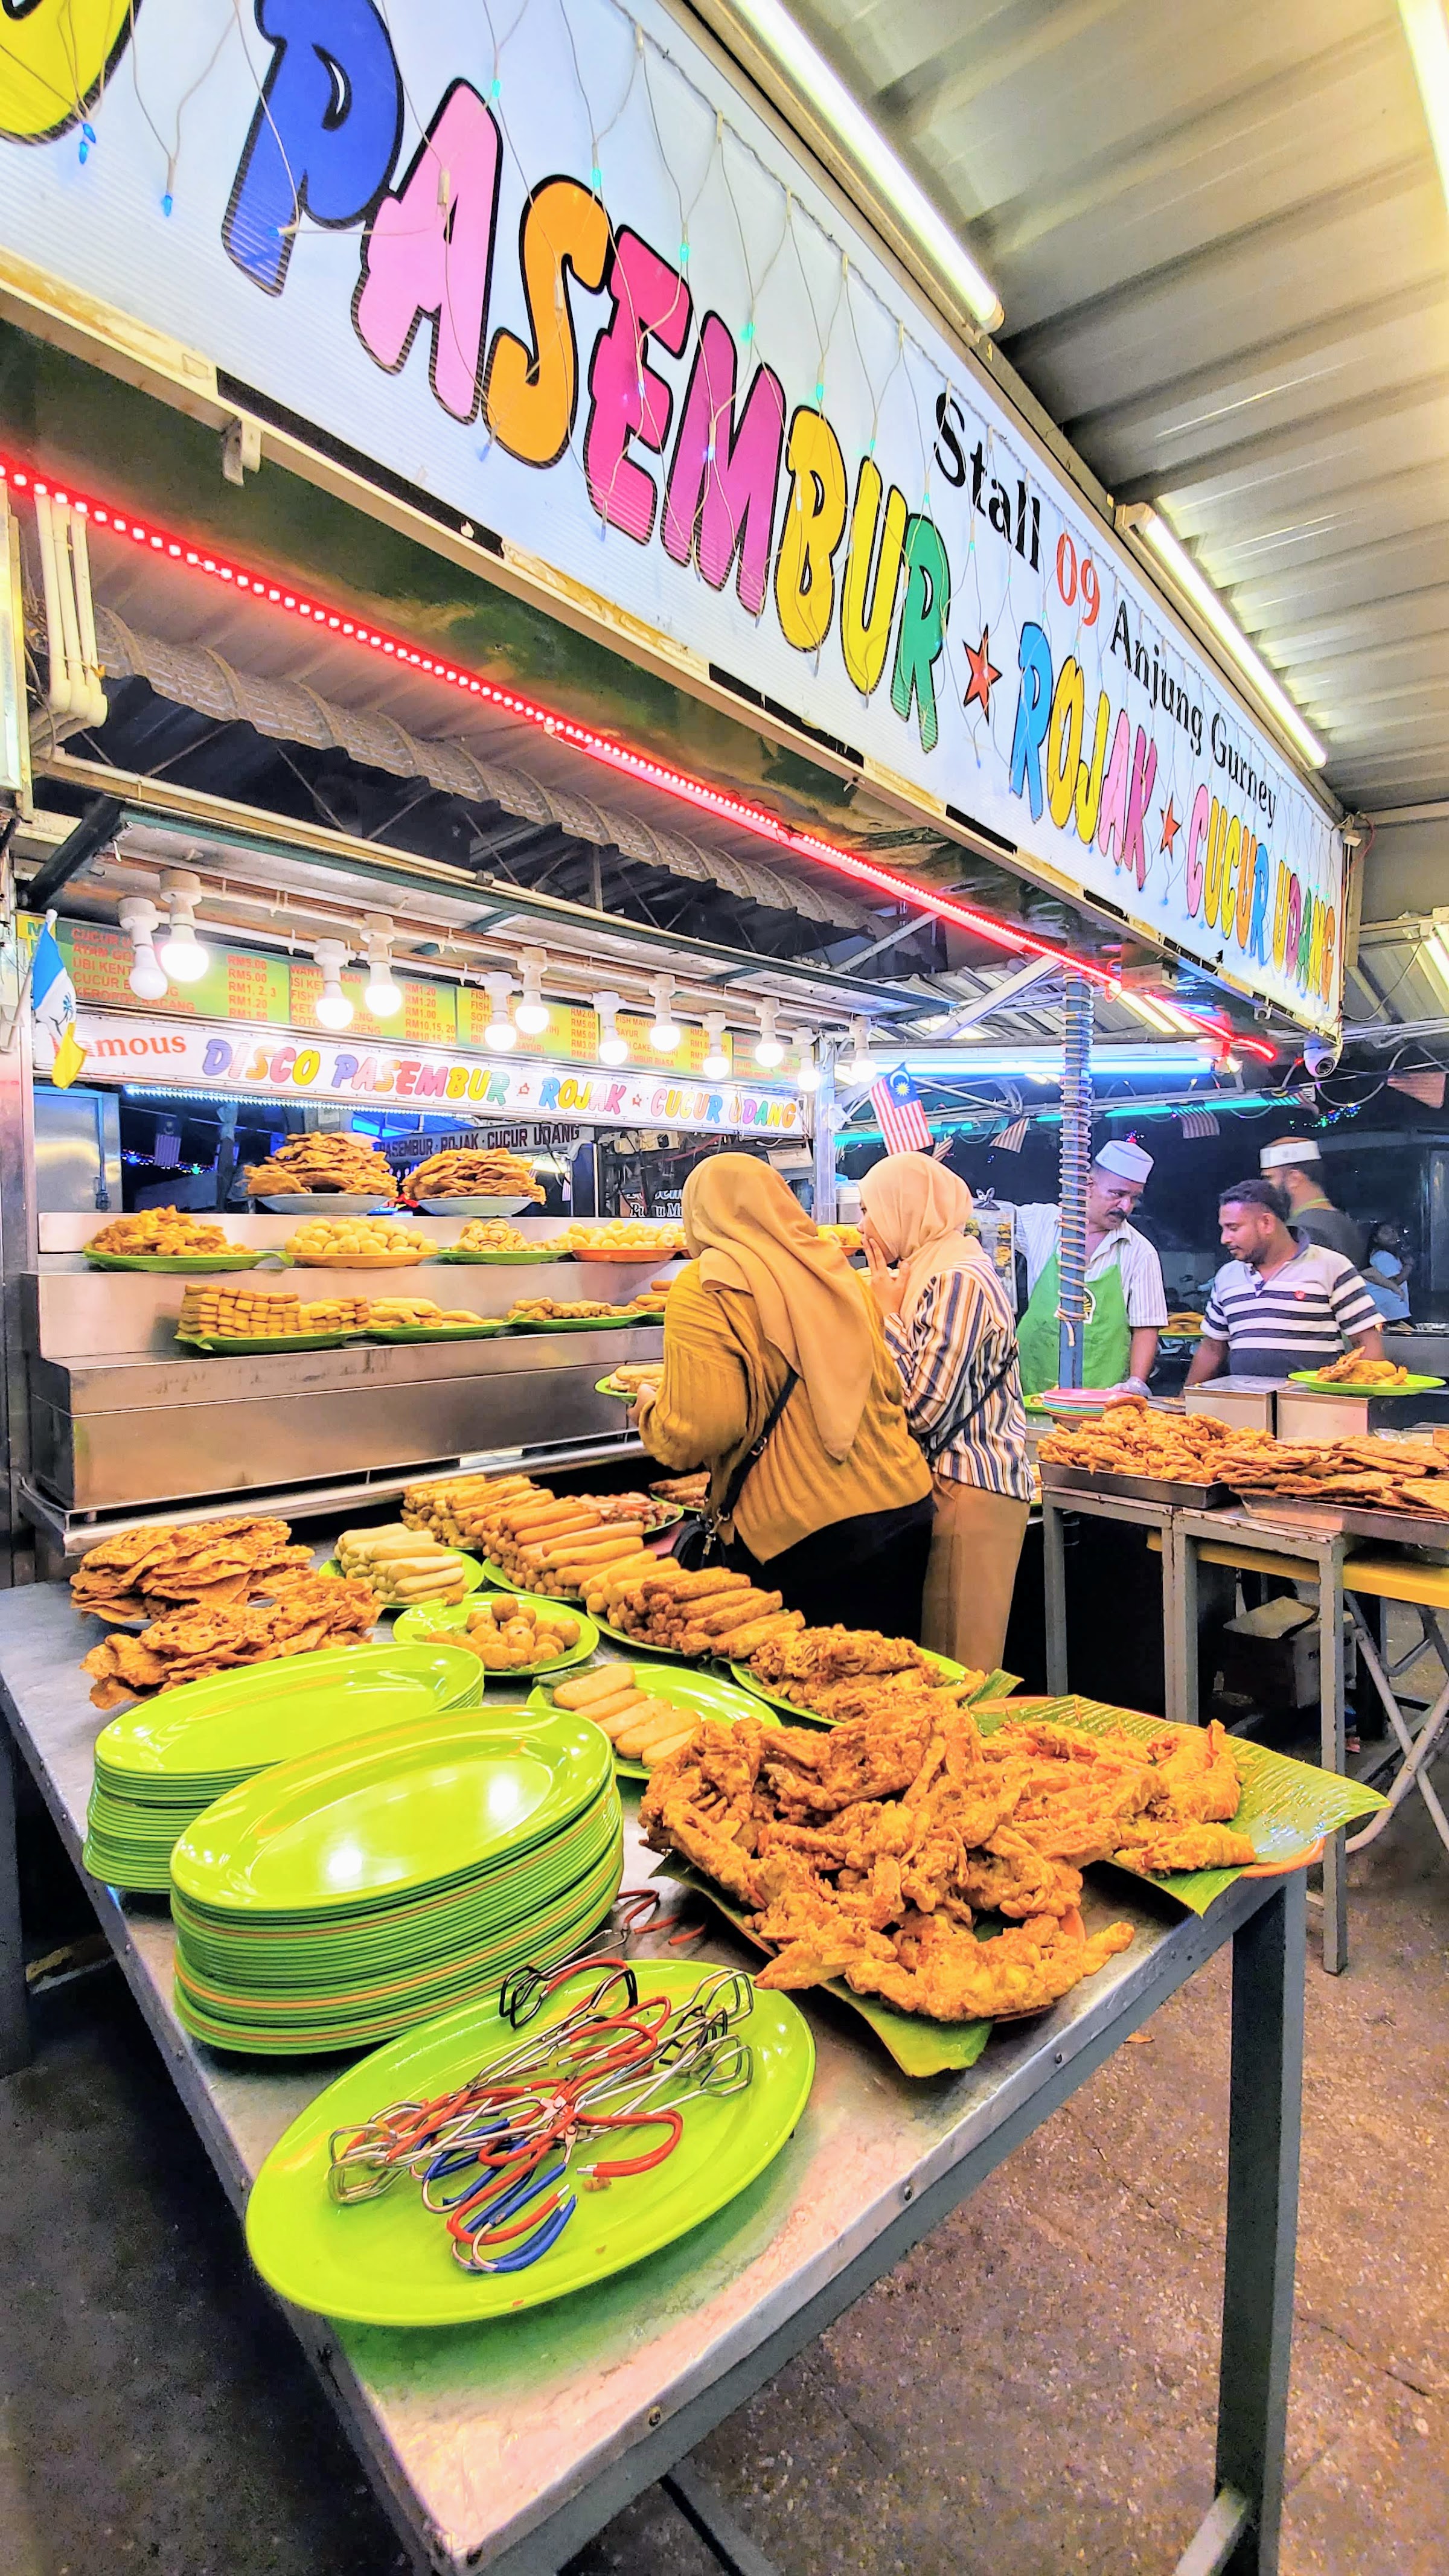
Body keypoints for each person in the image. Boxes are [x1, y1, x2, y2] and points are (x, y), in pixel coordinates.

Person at [633, 1154, 934, 1632]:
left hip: (804, 1540)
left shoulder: (707, 1283)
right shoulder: (837, 1274)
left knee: (801, 1689)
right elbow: (887, 1385)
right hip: (904, 1509)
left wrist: (649, 1407)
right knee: (890, 1688)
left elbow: (702, 1427)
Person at [859, 1155, 1032, 1672]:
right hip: (944, 1489)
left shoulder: (958, 1280)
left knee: (959, 1668)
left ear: (906, 1209)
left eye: (871, 1209)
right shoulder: (926, 1270)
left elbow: (920, 1408)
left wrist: (886, 1315)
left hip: (969, 1490)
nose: (863, 1226)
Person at [1186, 1177, 1384, 1385]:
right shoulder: (1227, 1276)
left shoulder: (1331, 1265)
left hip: (1317, 1406)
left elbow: (1366, 1341)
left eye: (1233, 1228)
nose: (1224, 1239)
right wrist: (1184, 1400)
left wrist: (1364, 1397)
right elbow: (1212, 1349)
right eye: (1223, 1229)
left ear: (1266, 1223)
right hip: (1245, 1406)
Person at [1014, 1139, 1169, 1398]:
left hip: (1103, 1400)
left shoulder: (1140, 1252)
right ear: (1087, 1186)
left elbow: (1146, 1327)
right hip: (1030, 1389)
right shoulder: (1041, 1222)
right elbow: (985, 1218)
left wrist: (1135, 1384)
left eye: (1133, 1198)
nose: (1126, 1207)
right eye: (1118, 1194)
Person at [1259, 1137, 1366, 1267]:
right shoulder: (1343, 1222)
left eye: (1270, 1178)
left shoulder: (1303, 1231)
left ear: (1294, 1178)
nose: (1266, 1187)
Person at [1363, 1221, 1412, 1323]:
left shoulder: (1385, 1255)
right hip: (1392, 1310)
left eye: (1394, 1232)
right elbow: (1394, 1281)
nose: (1392, 1235)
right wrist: (1409, 1266)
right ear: (1375, 1239)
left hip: (1387, 1309)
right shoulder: (1383, 1257)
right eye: (1386, 1233)